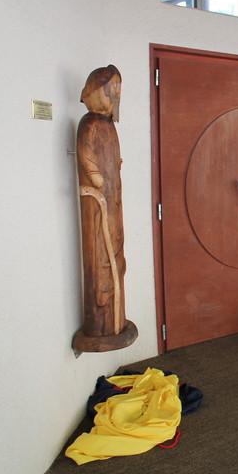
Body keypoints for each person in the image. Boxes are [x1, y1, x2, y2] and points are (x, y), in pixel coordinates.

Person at [74, 65, 137, 352]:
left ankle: (116, 318)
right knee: (100, 251)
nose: (115, 96)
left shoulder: (109, 126)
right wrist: (96, 176)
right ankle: (102, 319)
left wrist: (115, 169)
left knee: (116, 248)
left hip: (113, 197)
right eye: (112, 90)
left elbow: (113, 158)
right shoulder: (88, 124)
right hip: (97, 199)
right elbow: (87, 154)